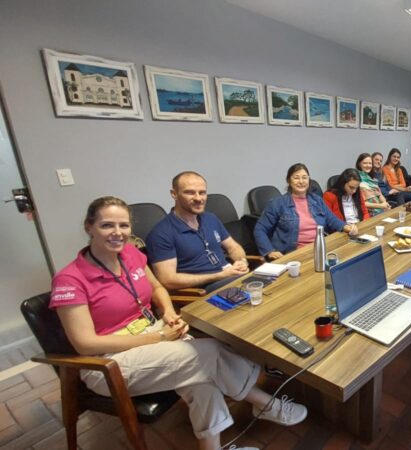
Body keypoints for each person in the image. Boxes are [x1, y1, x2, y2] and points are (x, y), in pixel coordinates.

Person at [51, 197, 307, 450]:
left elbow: (157, 287)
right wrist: (159, 337)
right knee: (209, 352)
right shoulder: (69, 279)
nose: (118, 233)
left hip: (151, 331)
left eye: (124, 226)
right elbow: (85, 344)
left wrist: (169, 313)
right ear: (89, 227)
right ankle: (266, 404)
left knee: (201, 381)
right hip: (108, 361)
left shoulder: (129, 253)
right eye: (107, 225)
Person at [147, 171, 249, 291]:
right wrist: (219, 276)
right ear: (174, 194)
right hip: (204, 290)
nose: (198, 198)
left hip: (231, 276)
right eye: (190, 193)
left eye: (202, 193)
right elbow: (168, 280)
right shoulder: (161, 234)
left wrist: (242, 261)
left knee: (271, 283)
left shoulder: (210, 218)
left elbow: (233, 247)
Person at [254, 163, 357, 260]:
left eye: (304, 177)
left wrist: (347, 227)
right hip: (293, 255)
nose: (301, 181)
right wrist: (269, 251)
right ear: (289, 181)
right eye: (296, 177)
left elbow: (331, 219)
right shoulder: (277, 203)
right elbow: (260, 229)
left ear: (309, 180)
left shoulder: (316, 200)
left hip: (319, 249)